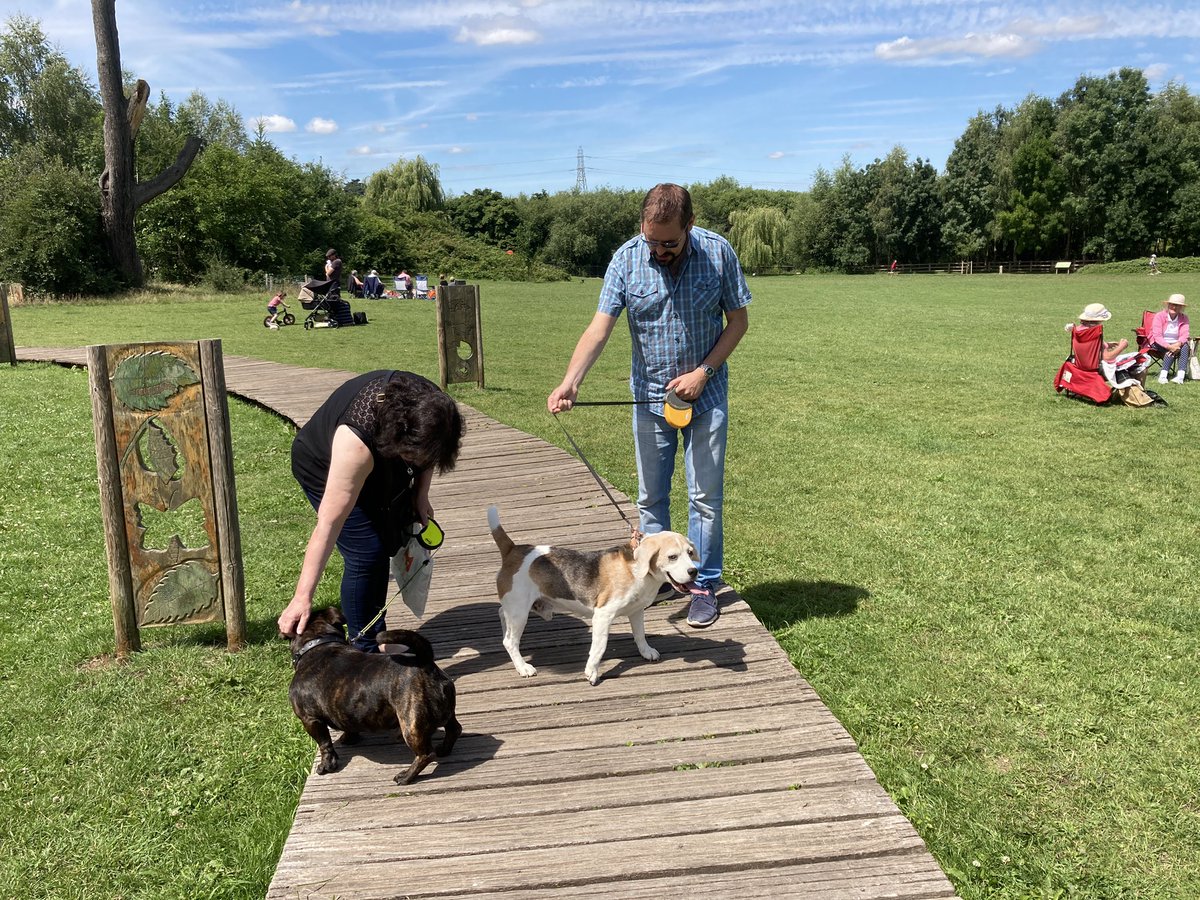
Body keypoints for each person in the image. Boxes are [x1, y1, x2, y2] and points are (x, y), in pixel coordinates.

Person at [547, 183, 751, 628]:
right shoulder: (625, 259)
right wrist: (571, 382)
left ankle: (702, 586)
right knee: (651, 498)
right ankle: (655, 582)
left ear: (690, 226)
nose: (657, 250)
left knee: (705, 498)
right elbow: (599, 328)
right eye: (650, 240)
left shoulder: (718, 254)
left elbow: (739, 322)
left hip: (707, 395)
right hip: (649, 398)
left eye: (668, 243)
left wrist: (704, 372)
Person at [277, 371, 465, 651]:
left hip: (384, 459)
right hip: (322, 465)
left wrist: (420, 494)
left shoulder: (433, 408)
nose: (419, 462)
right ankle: (365, 646)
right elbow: (328, 525)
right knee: (366, 552)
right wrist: (302, 596)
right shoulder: (355, 444)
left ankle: (376, 637)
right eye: (413, 456)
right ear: (400, 440)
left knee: (388, 537)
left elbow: (428, 455)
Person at [1152, 293, 1190, 385]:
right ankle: (1163, 375)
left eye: (1177, 305)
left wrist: (1177, 344)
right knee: (1172, 349)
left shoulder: (1184, 318)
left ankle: (1180, 376)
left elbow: (1185, 334)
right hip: (1159, 343)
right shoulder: (1159, 316)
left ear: (1181, 307)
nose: (1174, 307)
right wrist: (1169, 346)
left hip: (1176, 344)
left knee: (1185, 346)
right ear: (1168, 305)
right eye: (1172, 304)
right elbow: (1157, 336)